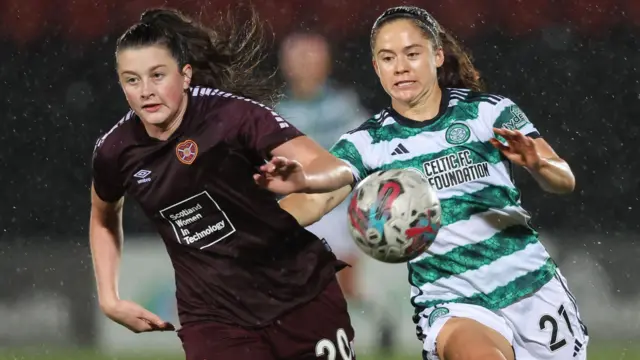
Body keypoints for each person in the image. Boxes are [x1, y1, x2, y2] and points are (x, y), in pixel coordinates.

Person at [275, 6, 589, 360]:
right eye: (388, 58)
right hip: (453, 304)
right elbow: (316, 199)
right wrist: (248, 228)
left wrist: (538, 164)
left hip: (532, 288)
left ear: (437, 55)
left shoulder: (489, 112)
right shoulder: (369, 141)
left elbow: (564, 180)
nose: (401, 67)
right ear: (377, 67)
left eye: (412, 54)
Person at [89, 7, 356, 360]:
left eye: (157, 75)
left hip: (298, 294)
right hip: (213, 318)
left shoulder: (232, 116)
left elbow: (336, 169)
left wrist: (304, 179)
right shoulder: (115, 150)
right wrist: (109, 298)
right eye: (132, 79)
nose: (146, 91)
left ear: (185, 75)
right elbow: (103, 216)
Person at [276, 32, 369, 302]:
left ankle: (376, 324)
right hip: (297, 206)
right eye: (298, 58)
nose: (305, 65)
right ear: (286, 65)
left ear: (325, 63)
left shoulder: (344, 105)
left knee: (345, 287)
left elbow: (368, 148)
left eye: (311, 58)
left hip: (340, 207)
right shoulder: (277, 109)